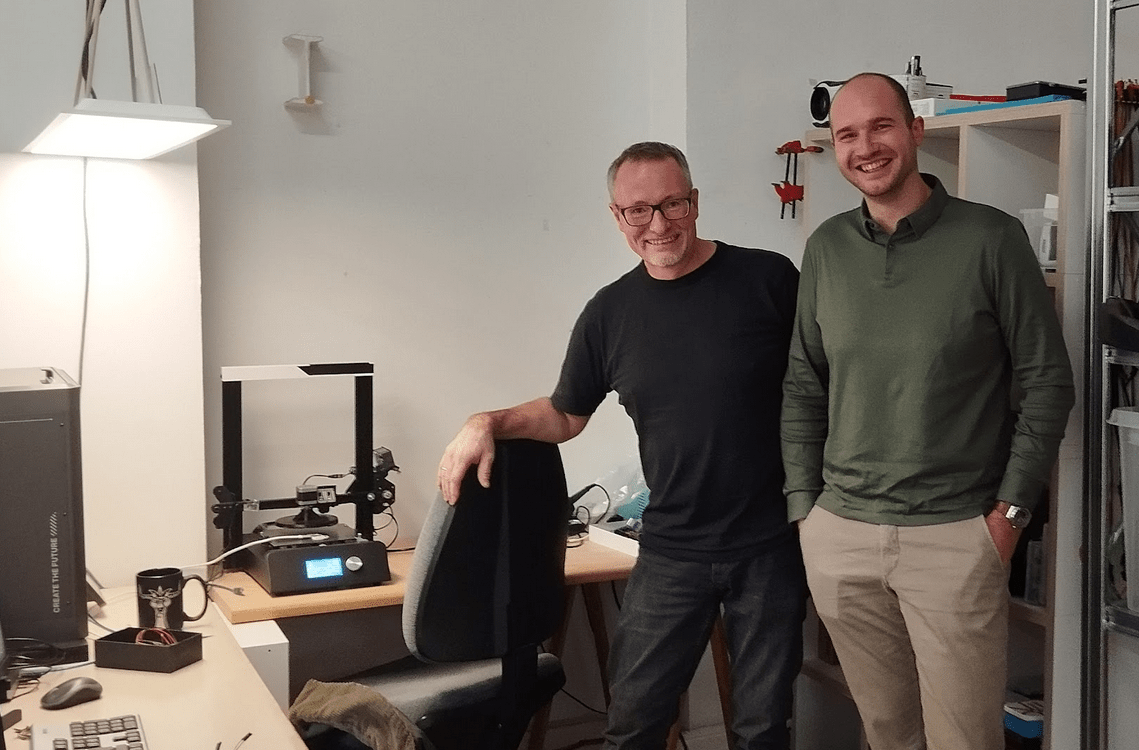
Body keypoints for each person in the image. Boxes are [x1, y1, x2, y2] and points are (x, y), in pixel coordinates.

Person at [437, 141, 805, 749]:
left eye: (672, 205)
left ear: (694, 201)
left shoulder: (768, 279)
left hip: (768, 545)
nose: (658, 225)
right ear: (617, 216)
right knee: (633, 723)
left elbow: (822, 388)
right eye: (639, 211)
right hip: (672, 550)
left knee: (763, 728)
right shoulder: (609, 313)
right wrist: (485, 421)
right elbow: (565, 414)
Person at [780, 72, 1075, 750]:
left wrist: (1007, 518)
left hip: (953, 537)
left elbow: (1047, 382)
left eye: (879, 126)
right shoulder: (825, 247)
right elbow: (803, 384)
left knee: (964, 739)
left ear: (914, 130)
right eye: (846, 134)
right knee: (886, 733)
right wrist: (806, 510)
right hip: (841, 538)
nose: (864, 147)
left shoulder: (991, 240)